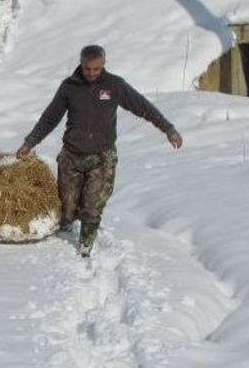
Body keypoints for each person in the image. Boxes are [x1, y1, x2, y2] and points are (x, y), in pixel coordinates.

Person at [16, 45, 182, 257]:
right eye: (87, 69)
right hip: (71, 155)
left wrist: (168, 129)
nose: (91, 73)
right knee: (67, 206)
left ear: (103, 65)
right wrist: (30, 142)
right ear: (81, 64)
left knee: (92, 206)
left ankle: (85, 246)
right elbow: (50, 118)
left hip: (102, 157)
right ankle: (65, 228)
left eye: (96, 69)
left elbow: (143, 107)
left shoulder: (114, 85)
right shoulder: (69, 87)